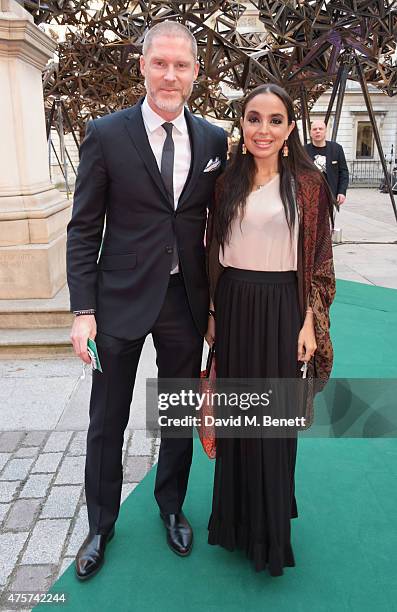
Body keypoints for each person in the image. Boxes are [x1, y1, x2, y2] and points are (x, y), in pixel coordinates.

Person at [67, 21, 228, 580]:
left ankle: (170, 506)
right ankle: (101, 523)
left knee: (177, 412)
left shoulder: (213, 140)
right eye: (160, 62)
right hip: (116, 303)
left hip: (185, 301)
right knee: (105, 420)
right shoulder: (106, 134)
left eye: (181, 65)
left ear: (195, 73)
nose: (170, 74)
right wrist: (82, 310)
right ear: (142, 66)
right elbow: (84, 228)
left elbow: (217, 224)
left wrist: (213, 309)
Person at [205, 84, 336, 576]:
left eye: (275, 120)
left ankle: (271, 533)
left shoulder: (308, 183)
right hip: (235, 308)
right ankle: (236, 524)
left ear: (290, 128)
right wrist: (214, 313)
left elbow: (320, 259)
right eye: (254, 118)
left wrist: (309, 322)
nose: (264, 129)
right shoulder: (225, 182)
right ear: (242, 123)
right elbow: (213, 253)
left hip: (284, 309)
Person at [305, 119, 349, 206]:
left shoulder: (337, 149)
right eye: (314, 129)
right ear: (310, 133)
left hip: (330, 196)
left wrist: (342, 192)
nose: (317, 131)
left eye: (320, 129)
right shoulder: (303, 151)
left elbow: (343, 172)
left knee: (327, 219)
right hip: (309, 197)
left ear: (325, 131)